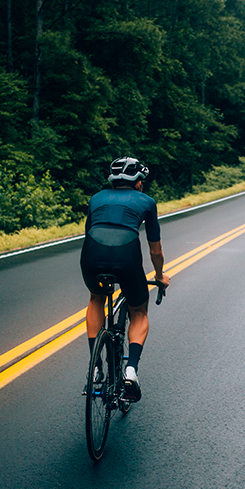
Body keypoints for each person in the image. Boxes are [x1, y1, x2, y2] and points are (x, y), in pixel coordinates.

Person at [80, 157, 170, 402]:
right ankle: (131, 370)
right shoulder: (147, 202)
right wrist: (160, 276)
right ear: (139, 183)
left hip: (91, 255)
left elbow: (90, 231)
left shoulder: (96, 198)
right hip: (126, 258)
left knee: (96, 297)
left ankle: (96, 366)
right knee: (139, 310)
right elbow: (155, 251)